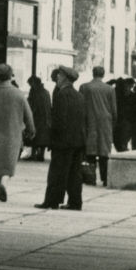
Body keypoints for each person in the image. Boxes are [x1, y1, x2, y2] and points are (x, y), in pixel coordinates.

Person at [0, 63, 34, 203]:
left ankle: (0, 185)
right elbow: (29, 116)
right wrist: (31, 130)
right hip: (13, 136)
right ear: (11, 76)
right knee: (9, 164)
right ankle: (4, 183)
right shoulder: (19, 94)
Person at [36, 67, 87, 211]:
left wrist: (52, 138)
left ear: (65, 77)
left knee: (57, 173)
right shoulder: (79, 96)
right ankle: (75, 202)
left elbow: (59, 121)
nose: (57, 77)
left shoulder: (61, 95)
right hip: (78, 141)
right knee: (74, 174)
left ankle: (52, 201)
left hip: (63, 142)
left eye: (59, 75)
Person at [79, 65, 118, 186]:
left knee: (90, 151)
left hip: (89, 121)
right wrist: (113, 124)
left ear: (93, 73)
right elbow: (114, 110)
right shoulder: (110, 89)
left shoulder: (84, 87)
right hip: (105, 123)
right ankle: (105, 178)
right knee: (104, 152)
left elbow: (80, 106)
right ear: (103, 74)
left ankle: (90, 177)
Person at [25, 75, 53, 162]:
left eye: (30, 84)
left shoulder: (35, 92)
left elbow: (32, 106)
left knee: (35, 136)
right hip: (45, 119)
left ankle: (34, 154)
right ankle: (41, 154)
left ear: (33, 83)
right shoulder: (46, 92)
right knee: (42, 138)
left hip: (37, 118)